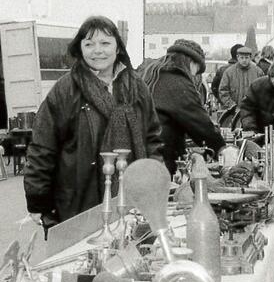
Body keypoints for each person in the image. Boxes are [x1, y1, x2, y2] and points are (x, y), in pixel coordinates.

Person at [24, 16, 163, 226]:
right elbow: (43, 147)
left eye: (105, 43)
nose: (97, 50)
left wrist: (155, 181)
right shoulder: (65, 90)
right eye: (89, 44)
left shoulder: (137, 88)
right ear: (80, 49)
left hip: (134, 197)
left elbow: (152, 139)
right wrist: (38, 202)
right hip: (78, 201)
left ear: (118, 48)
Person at [140, 39, 225, 174]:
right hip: (159, 154)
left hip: (142, 150)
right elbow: (198, 120)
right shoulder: (177, 80)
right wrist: (221, 147)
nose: (195, 75)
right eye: (197, 70)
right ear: (191, 62)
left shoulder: (153, 72)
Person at [218, 46, 264, 110]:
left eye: (246, 57)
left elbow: (263, 91)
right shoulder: (229, 72)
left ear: (250, 58)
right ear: (237, 57)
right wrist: (232, 105)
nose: (244, 60)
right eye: (242, 57)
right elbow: (223, 91)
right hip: (233, 113)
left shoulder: (258, 72)